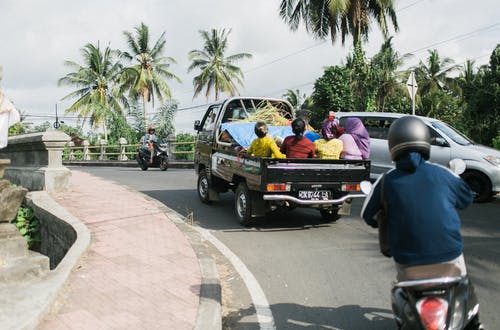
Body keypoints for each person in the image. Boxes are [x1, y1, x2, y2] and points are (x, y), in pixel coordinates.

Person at [361, 116, 474, 281]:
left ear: (392, 145)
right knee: (464, 291)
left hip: (407, 259)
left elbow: (367, 215)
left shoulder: (386, 181)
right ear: (425, 141)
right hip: (450, 254)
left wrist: (388, 220)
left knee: (402, 294)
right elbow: (466, 198)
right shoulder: (443, 174)